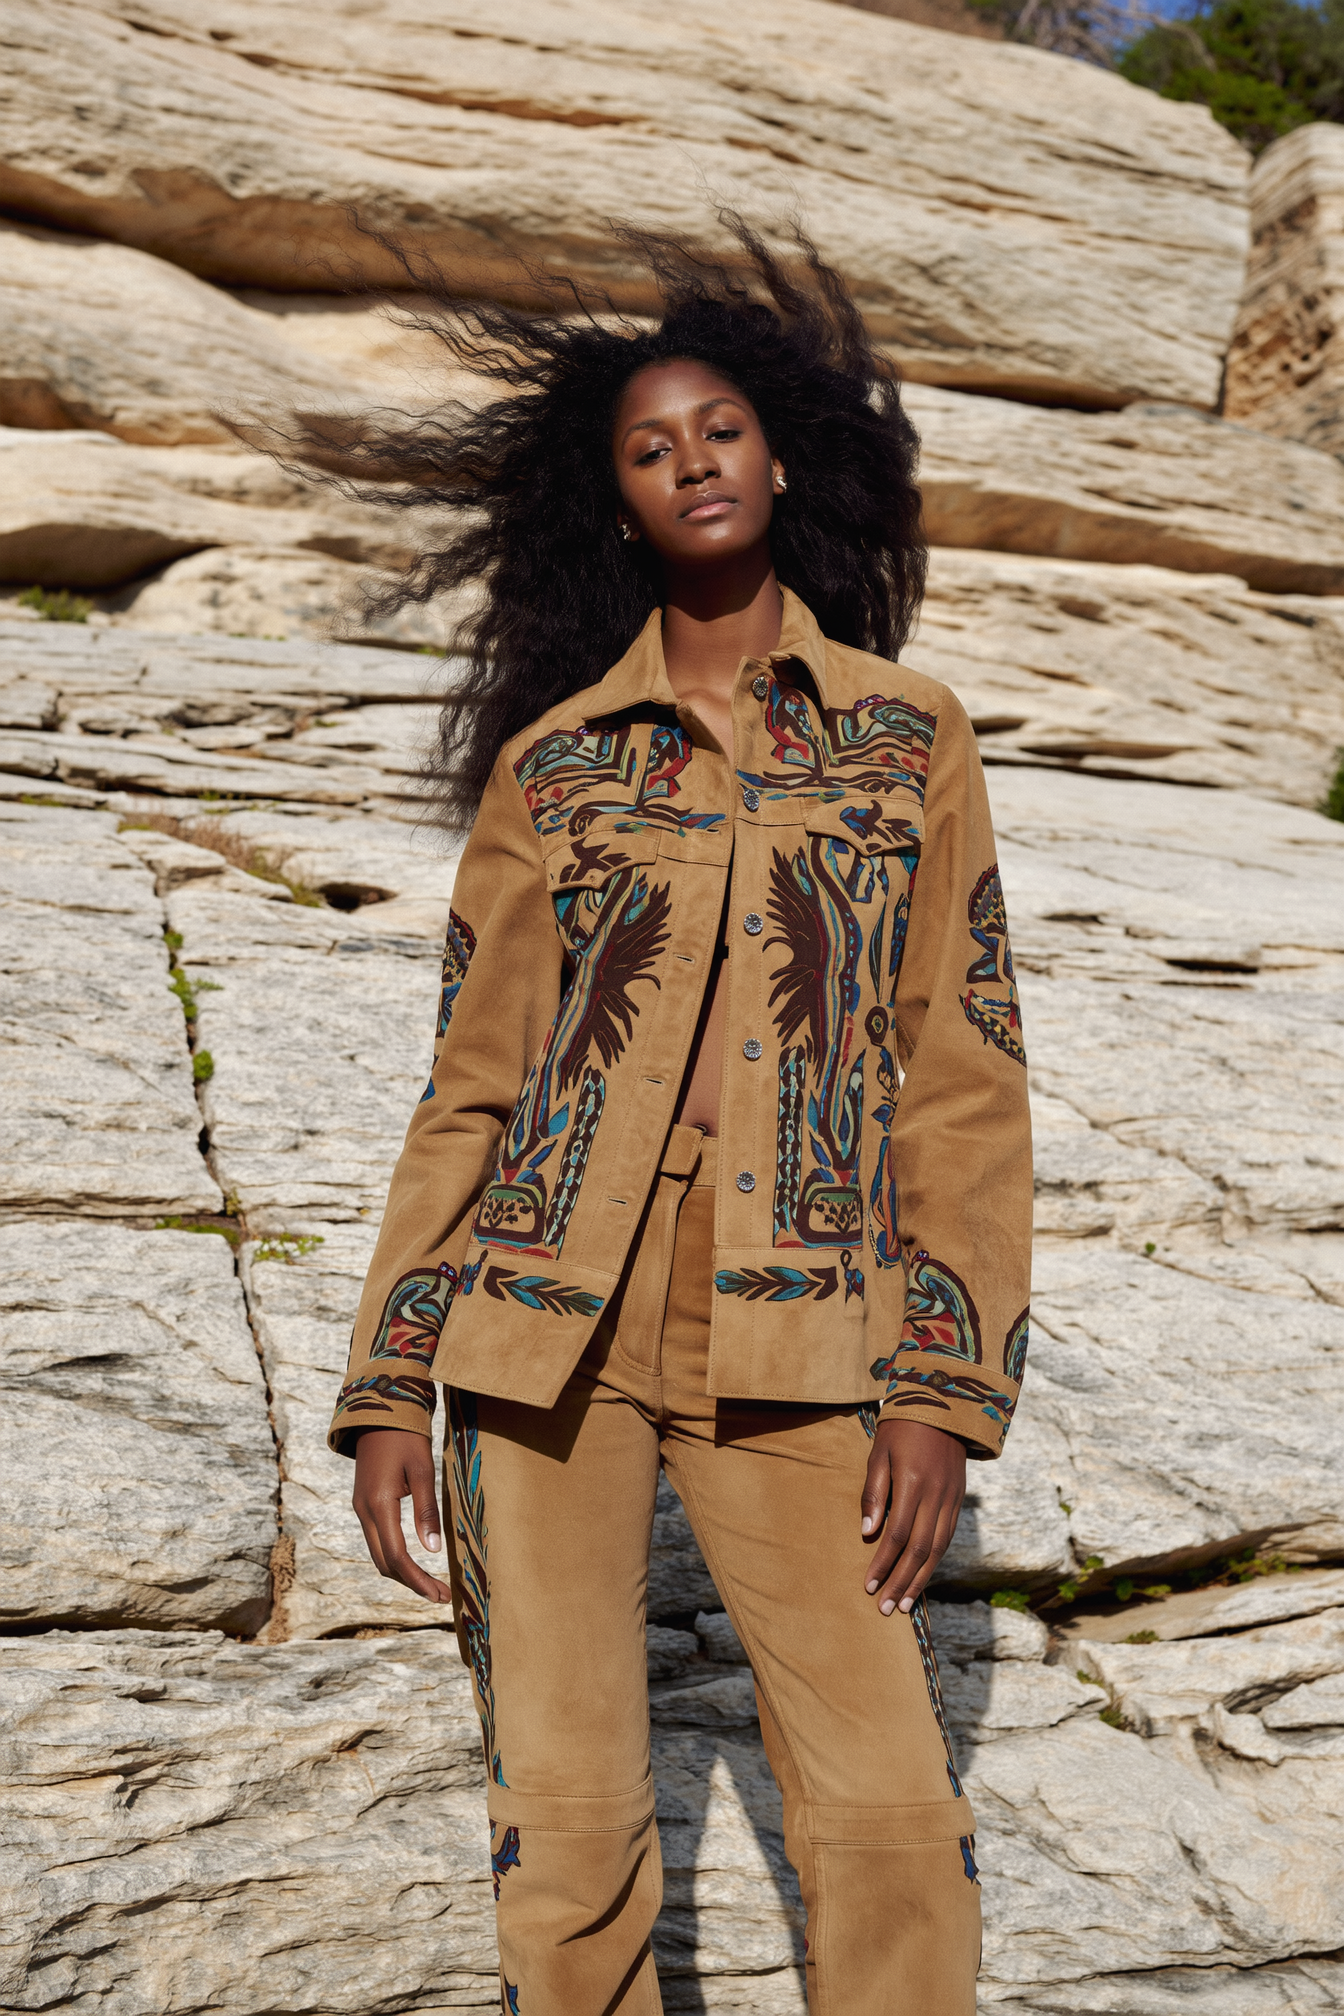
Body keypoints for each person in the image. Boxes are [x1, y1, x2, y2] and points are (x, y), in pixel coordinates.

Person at [324, 218, 1032, 2015]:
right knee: (562, 1829)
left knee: (885, 1811)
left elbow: (963, 1073)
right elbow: (472, 1092)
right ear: (618, 502)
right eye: (650, 449)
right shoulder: (555, 765)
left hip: (804, 1335)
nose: (690, 462)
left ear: (782, 456)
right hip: (538, 1336)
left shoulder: (905, 739)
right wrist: (393, 1381)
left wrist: (941, 1391)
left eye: (716, 429)